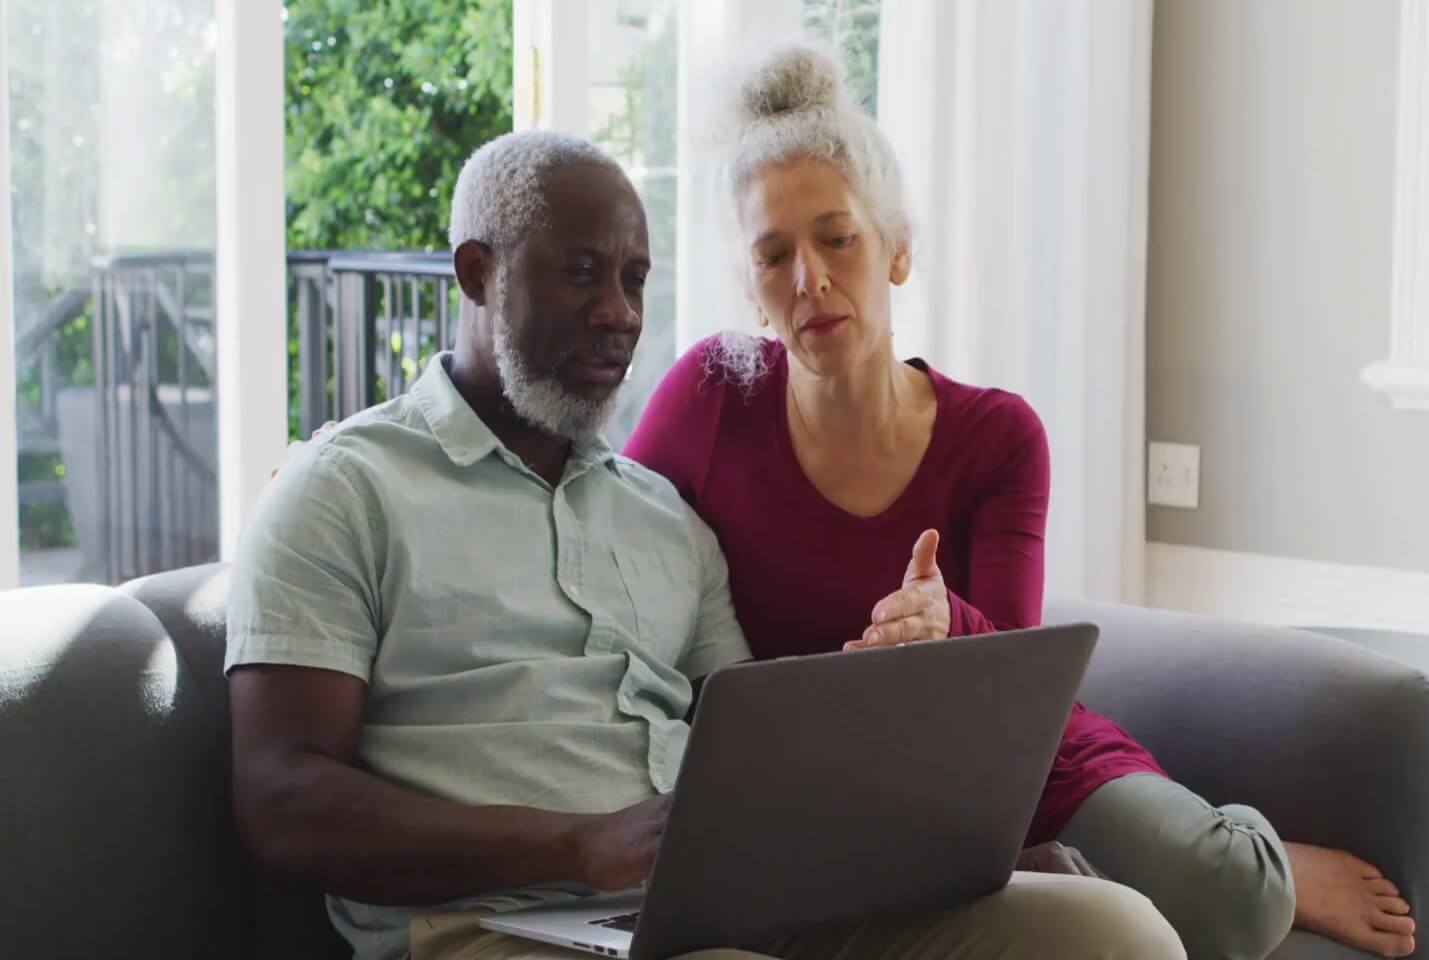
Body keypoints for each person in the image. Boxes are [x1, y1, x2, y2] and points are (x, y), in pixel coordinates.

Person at [228, 128, 1183, 960]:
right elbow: (282, 796)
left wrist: (956, 858)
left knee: (1111, 933)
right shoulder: (344, 492)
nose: (620, 312)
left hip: (726, 910)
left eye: (636, 279)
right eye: (582, 271)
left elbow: (757, 766)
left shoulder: (665, 518)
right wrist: (570, 846)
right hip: (492, 928)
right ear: (478, 273)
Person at [623, 46, 1417, 960]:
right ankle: (1055, 870)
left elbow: (1017, 672)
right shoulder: (708, 398)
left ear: (898, 249)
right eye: (774, 255)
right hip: (826, 798)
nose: (810, 279)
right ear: (753, 292)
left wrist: (941, 620)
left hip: (1009, 765)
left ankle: (1262, 854)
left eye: (837, 237)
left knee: (1235, 902)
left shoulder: (998, 437)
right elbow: (618, 537)